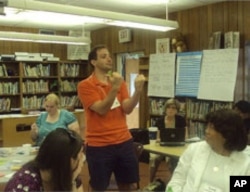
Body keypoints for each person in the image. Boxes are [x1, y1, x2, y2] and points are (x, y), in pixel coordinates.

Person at [77, 44, 146, 191]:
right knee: (99, 186)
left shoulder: (119, 83)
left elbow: (127, 108)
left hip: (123, 141)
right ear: (93, 62)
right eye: (103, 56)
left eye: (109, 56)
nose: (109, 59)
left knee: (130, 185)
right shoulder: (85, 85)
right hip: (99, 145)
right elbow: (101, 109)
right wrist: (114, 88)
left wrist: (138, 92)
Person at [165, 109, 250, 192]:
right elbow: (177, 180)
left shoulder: (245, 165)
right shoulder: (194, 149)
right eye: (207, 126)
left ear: (227, 134)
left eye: (212, 128)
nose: (206, 131)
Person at [4, 128, 84, 192]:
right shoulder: (25, 182)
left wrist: (72, 182)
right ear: (70, 161)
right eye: (80, 154)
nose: (83, 158)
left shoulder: (68, 174)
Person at [149, 98, 186, 182]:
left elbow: (185, 136)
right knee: (154, 158)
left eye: (173, 108)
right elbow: (157, 138)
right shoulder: (160, 121)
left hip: (176, 146)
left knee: (173, 160)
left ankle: (175, 182)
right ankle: (150, 181)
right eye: (168, 107)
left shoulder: (181, 120)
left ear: (177, 110)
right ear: (165, 109)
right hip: (162, 146)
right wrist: (160, 140)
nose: (170, 110)